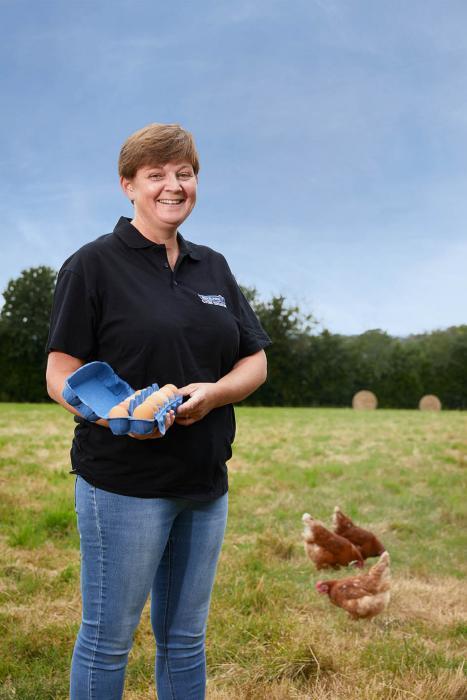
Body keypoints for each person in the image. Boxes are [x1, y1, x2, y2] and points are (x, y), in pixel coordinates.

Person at [45, 123, 270, 700]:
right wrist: (118, 414)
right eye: (156, 176)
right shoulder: (93, 265)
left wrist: (214, 394)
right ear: (128, 186)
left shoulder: (212, 266)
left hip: (204, 480)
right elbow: (60, 374)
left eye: (184, 173)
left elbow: (255, 362)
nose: (173, 186)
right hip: (123, 483)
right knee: (109, 640)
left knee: (185, 639)